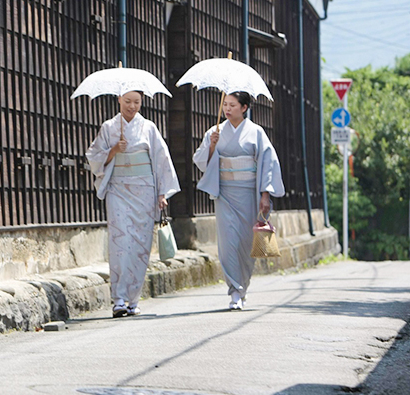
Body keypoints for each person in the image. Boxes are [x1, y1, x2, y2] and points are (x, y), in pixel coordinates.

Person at [86, 87, 180, 318]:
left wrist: (162, 193)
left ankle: (134, 298)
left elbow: (161, 160)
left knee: (140, 243)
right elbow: (93, 157)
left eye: (136, 101)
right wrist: (113, 150)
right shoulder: (108, 127)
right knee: (119, 241)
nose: (132, 106)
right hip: (118, 188)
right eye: (127, 101)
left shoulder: (149, 128)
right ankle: (118, 299)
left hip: (144, 189)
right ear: (119, 99)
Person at [192, 91, 284, 310]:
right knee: (228, 244)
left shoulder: (256, 132)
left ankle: (243, 287)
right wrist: (212, 146)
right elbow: (200, 161)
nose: (227, 108)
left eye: (232, 105)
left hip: (248, 193)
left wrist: (265, 194)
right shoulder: (214, 132)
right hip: (225, 193)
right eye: (225, 104)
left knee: (245, 242)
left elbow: (267, 163)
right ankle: (234, 291)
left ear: (244, 108)